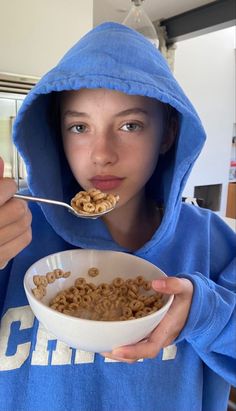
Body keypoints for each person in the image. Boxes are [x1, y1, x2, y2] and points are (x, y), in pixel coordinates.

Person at [0, 22, 235, 411]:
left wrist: (207, 312)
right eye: (79, 127)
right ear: (56, 136)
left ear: (167, 135)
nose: (102, 153)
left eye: (130, 125)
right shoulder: (16, 227)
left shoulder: (211, 242)